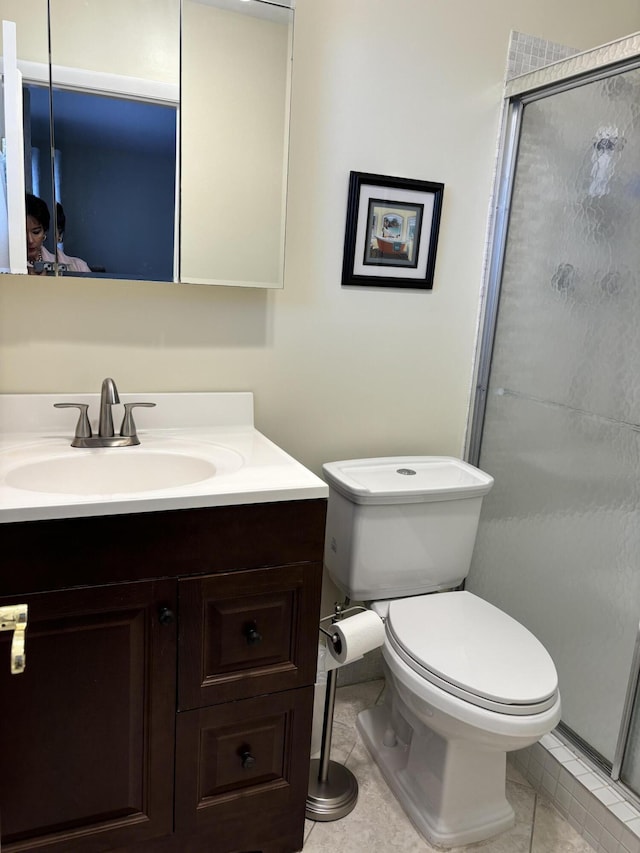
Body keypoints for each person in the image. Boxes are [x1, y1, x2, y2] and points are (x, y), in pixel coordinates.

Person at [25, 194, 90, 274]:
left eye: (36, 232)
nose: (30, 240)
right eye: (23, 233)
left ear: (44, 232)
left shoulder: (78, 267)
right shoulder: (8, 269)